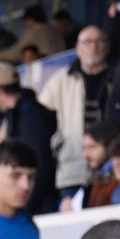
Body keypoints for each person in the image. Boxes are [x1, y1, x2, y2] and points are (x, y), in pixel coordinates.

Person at [39, 26, 112, 208]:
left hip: (110, 169)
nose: (93, 47)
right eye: (87, 42)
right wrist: (57, 144)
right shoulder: (61, 79)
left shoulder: (117, 75)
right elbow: (42, 116)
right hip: (72, 168)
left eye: (99, 42)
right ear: (78, 48)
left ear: (107, 47)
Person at [0, 62, 59, 214]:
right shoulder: (16, 115)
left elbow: (39, 167)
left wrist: (22, 211)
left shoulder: (30, 116)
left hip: (36, 211)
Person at [0, 4, 67, 63]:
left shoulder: (34, 31)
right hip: (62, 66)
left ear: (30, 20)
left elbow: (16, 52)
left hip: (46, 68)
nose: (26, 24)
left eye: (26, 21)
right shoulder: (54, 30)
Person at [75, 122, 120, 209]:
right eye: (84, 148)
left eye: (92, 147)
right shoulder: (96, 179)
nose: (85, 155)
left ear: (109, 146)